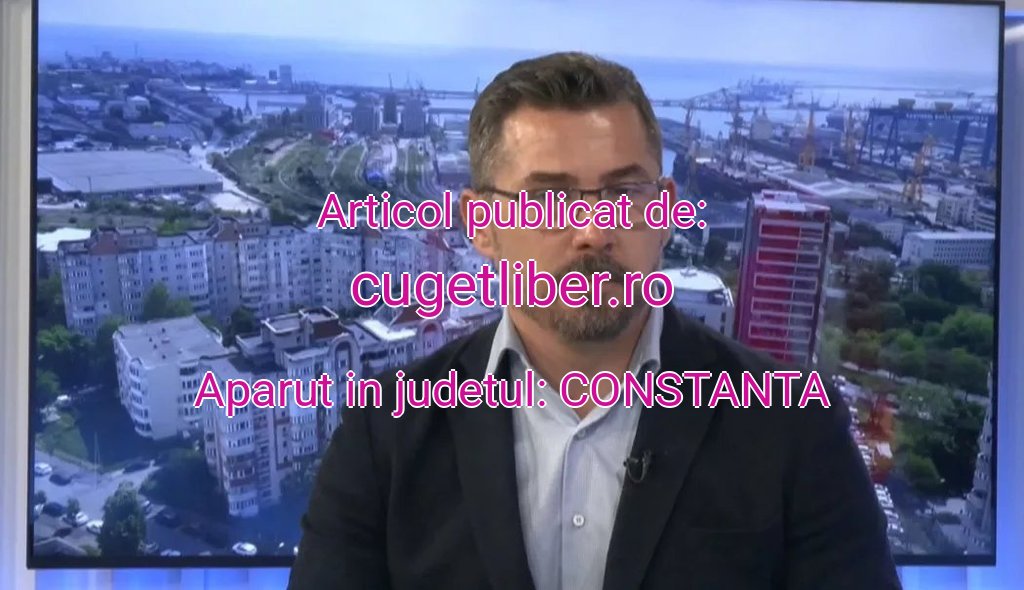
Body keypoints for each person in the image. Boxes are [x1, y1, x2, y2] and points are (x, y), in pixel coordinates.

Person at [288, 51, 901, 590]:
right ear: (481, 226)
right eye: (548, 199)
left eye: (625, 195)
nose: (593, 230)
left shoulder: (795, 427)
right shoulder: (384, 435)